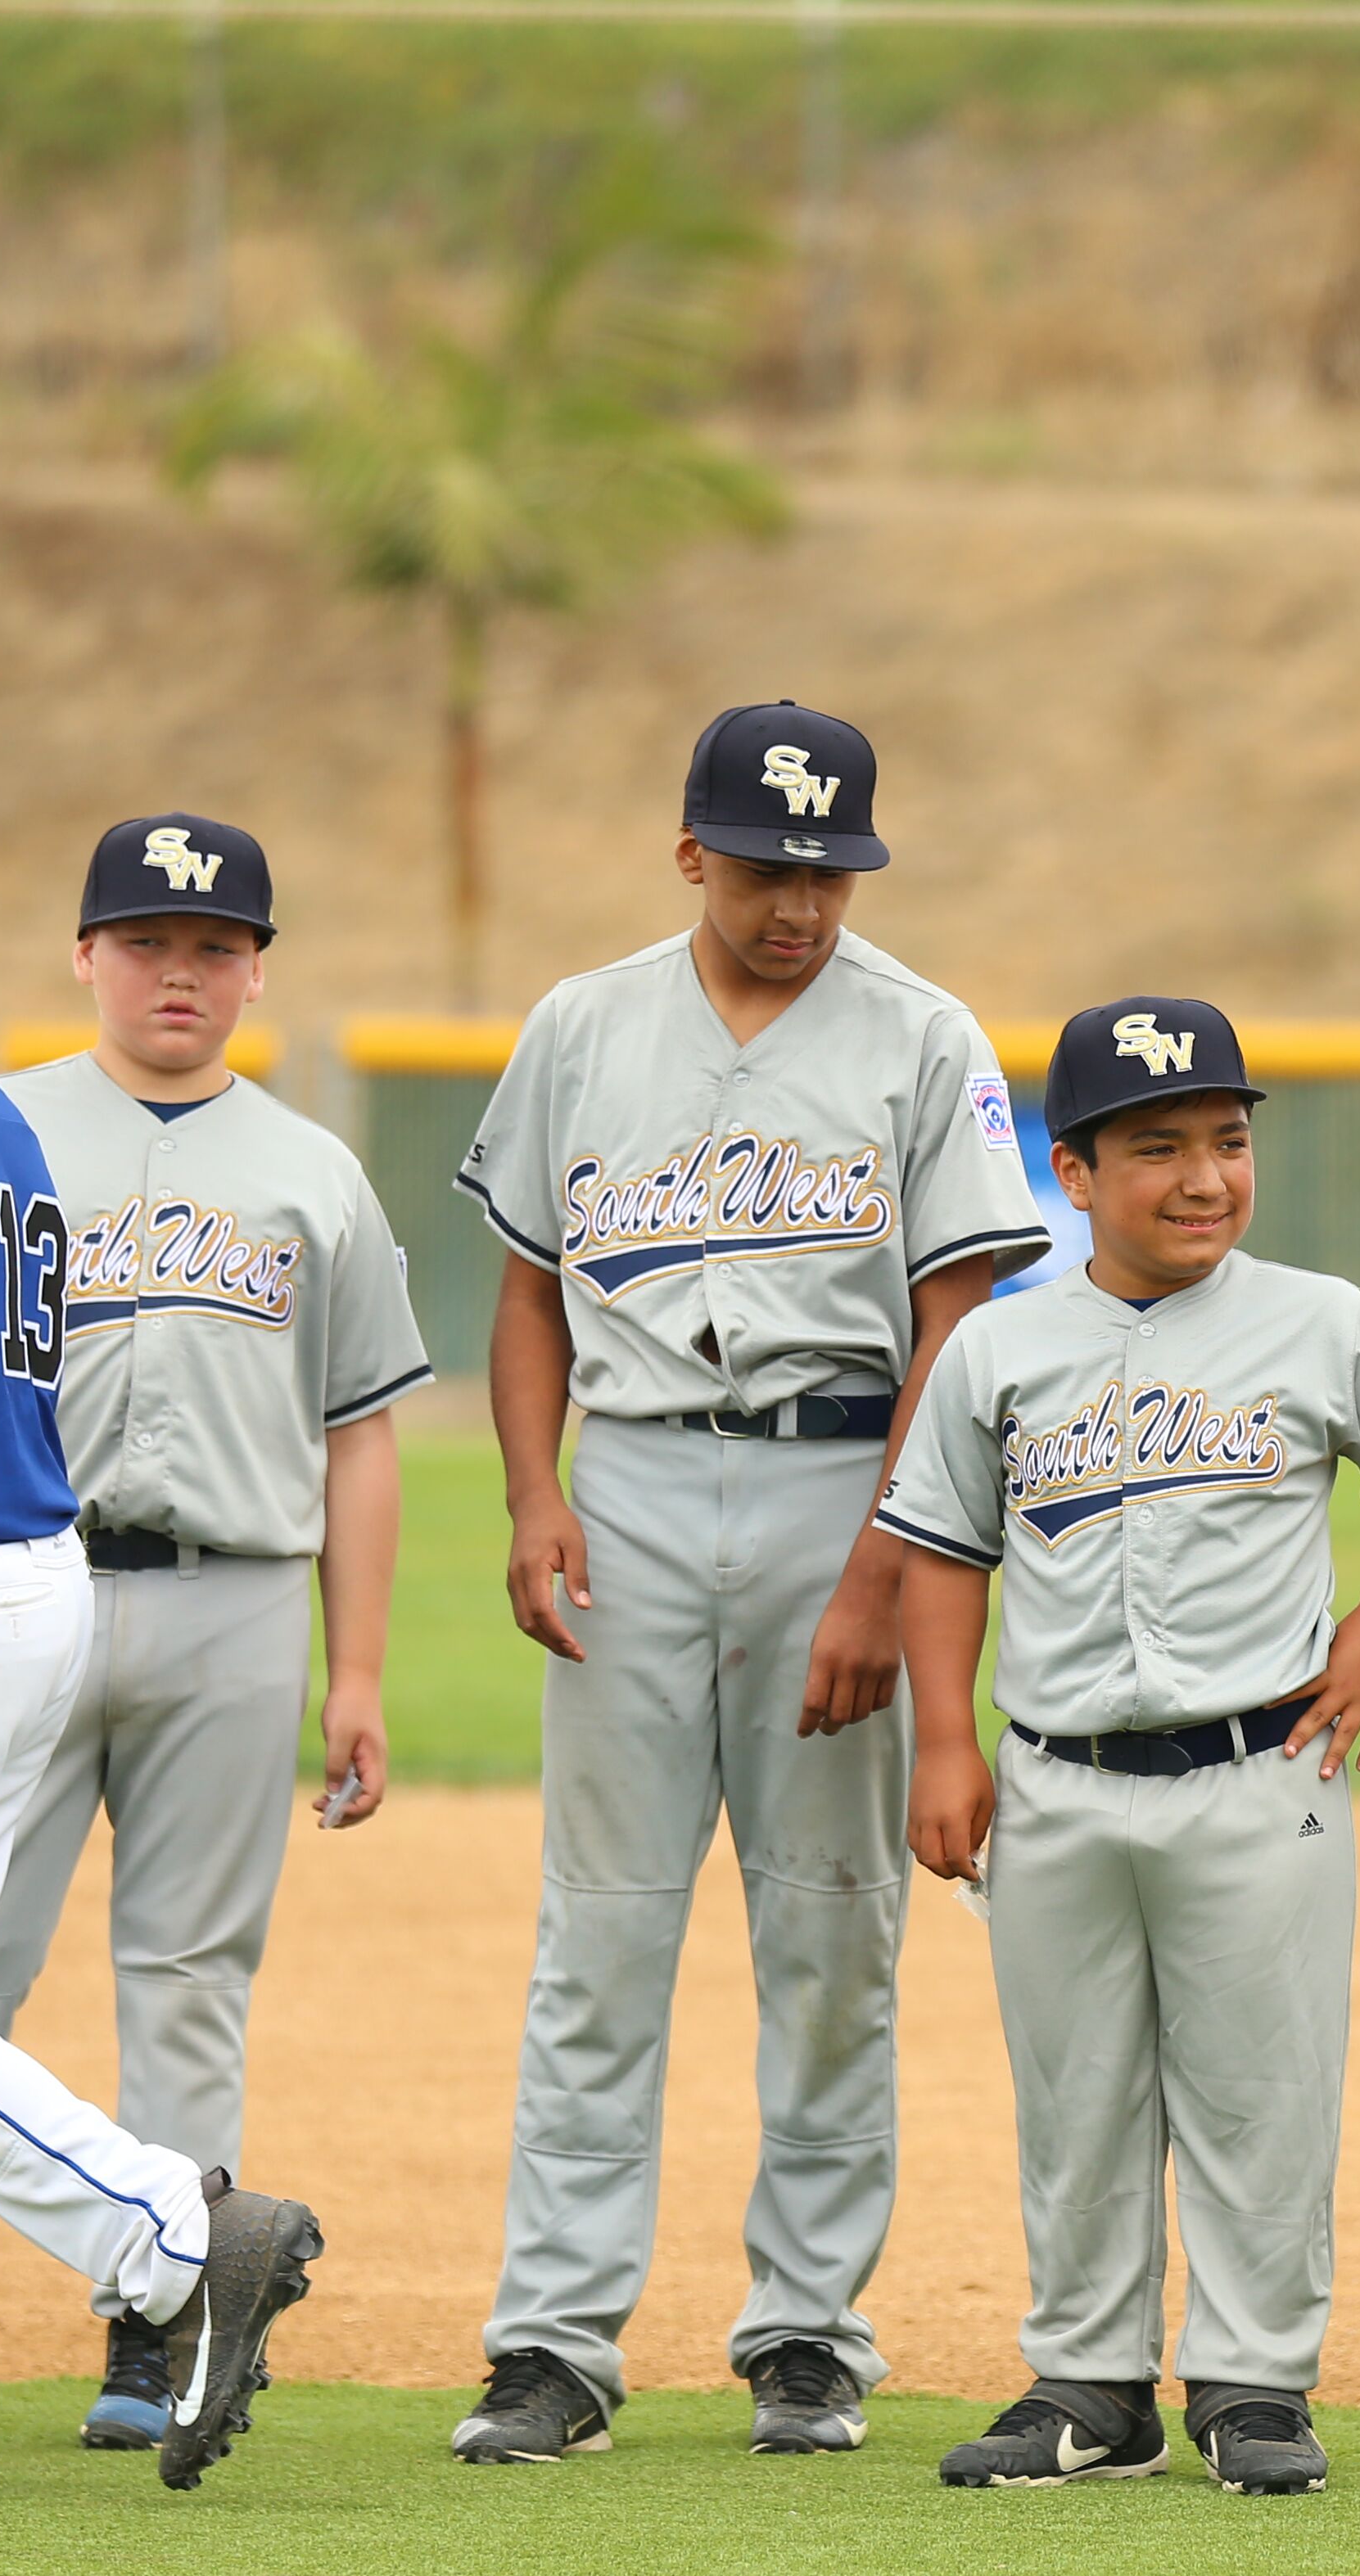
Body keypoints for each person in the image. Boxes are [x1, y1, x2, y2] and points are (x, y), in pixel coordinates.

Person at [0, 813, 431, 2453]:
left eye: (213, 943)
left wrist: (367, 1669)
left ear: (255, 968)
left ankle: (153, 2308)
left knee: (129, 1973)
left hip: (202, 1587)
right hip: (37, 1566)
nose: (179, 967)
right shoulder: (1, 1117)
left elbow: (363, 1428)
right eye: (146, 936)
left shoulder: (304, 1169)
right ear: (81, 955)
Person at [445, 702, 1046, 2466]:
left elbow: (955, 1325)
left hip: (841, 1473)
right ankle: (552, 2343)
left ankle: (808, 2332)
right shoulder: (581, 1025)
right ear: (692, 849)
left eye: (834, 869)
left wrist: (882, 1570)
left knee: (832, 1931)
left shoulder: (922, 1039)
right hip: (625, 1478)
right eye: (772, 866)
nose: (803, 903)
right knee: (601, 1939)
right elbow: (531, 1292)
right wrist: (534, 1494)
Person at [883, 998, 1360, 2497]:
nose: (1206, 1175)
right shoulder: (1002, 1344)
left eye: (1228, 1140)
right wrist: (943, 1741)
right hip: (1058, 1776)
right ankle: (1087, 2383)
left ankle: (1253, 2383)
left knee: (1260, 2088)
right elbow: (945, 1550)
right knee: (1074, 2093)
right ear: (1070, 1173)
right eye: (1158, 1149)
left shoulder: (1318, 1318)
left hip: (1258, 1770)